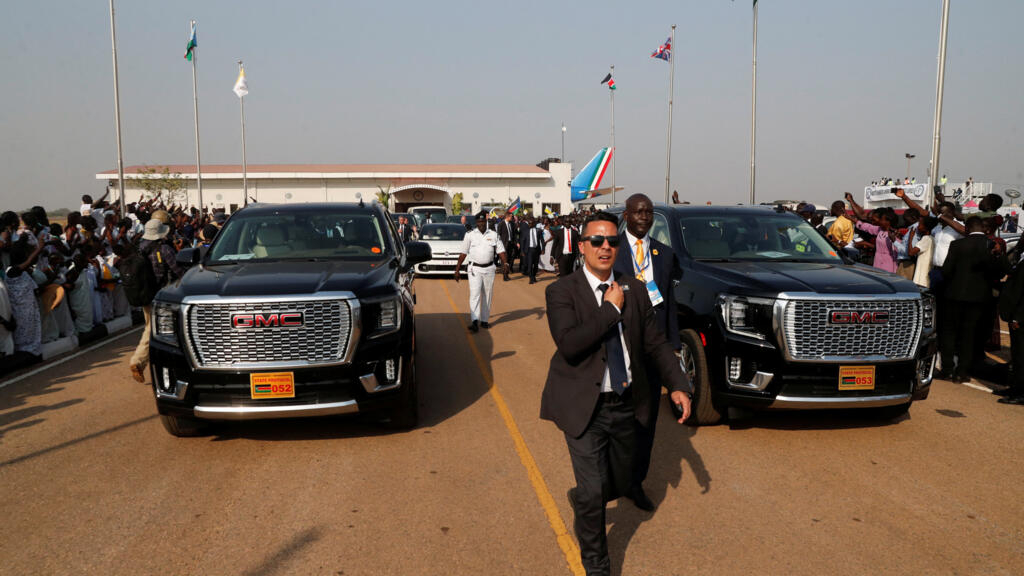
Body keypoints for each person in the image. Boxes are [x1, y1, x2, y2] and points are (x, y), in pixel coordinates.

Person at [540, 211, 691, 576]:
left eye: (612, 241)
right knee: (594, 493)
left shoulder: (634, 288)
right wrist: (610, 309)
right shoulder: (562, 291)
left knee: (623, 481)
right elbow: (570, 344)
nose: (605, 247)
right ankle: (597, 565)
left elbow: (655, 344)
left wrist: (678, 384)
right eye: (597, 241)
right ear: (582, 247)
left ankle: (583, 499)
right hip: (584, 406)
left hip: (626, 403)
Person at [612, 193, 681, 510]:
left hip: (654, 348)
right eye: (638, 211)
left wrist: (674, 346)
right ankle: (610, 477)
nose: (644, 216)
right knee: (616, 418)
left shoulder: (664, 254)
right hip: (620, 344)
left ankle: (634, 482)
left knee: (646, 420)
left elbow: (669, 305)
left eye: (649, 212)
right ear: (626, 215)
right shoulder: (610, 250)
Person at [938, 216, 1008, 383]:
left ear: (967, 229)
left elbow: (946, 271)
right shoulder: (991, 245)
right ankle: (962, 372)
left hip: (953, 295)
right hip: (978, 298)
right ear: (984, 229)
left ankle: (947, 369)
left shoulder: (957, 245)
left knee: (949, 333)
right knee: (969, 335)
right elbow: (1001, 272)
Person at [129, 218, 184, 383]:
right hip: (163, 297)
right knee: (157, 331)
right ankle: (138, 362)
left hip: (146, 295)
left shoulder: (140, 248)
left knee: (151, 328)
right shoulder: (165, 249)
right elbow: (179, 271)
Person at [454, 211, 509, 333]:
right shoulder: (470, 235)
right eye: (478, 222)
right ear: (476, 223)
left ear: (486, 221)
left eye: (483, 221)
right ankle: (474, 321)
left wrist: (505, 263)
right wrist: (457, 269)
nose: (481, 224)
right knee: (475, 294)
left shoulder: (494, 235)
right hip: (475, 269)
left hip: (489, 269)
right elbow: (463, 252)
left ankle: (484, 320)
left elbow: (501, 251)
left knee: (487, 295)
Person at [845, 193, 897, 273]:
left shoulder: (895, 234)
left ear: (886, 220)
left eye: (874, 220)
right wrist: (851, 218)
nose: (872, 222)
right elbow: (865, 226)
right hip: (877, 263)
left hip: (888, 265)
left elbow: (898, 251)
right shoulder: (879, 230)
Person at [997, 254, 1024, 405]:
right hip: (1014, 312)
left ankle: (1021, 393)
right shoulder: (1020, 255)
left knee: (1021, 356)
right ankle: (1014, 388)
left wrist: (1018, 317)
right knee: (1016, 354)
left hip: (1020, 317)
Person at [497, 213, 518, 281]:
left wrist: (516, 242)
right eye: (511, 217)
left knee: (510, 259)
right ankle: (505, 275)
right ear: (507, 217)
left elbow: (514, 234)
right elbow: (498, 235)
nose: (512, 218)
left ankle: (507, 273)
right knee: (504, 260)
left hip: (511, 244)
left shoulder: (512, 224)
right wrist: (499, 244)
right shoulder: (501, 224)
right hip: (504, 244)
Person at [521, 217, 542, 284]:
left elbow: (542, 240)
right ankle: (531, 278)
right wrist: (522, 251)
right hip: (529, 250)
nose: (529, 225)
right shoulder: (525, 231)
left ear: (534, 223)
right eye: (529, 223)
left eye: (531, 223)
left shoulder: (538, 231)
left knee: (536, 266)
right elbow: (522, 241)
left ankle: (534, 276)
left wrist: (543, 249)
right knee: (529, 265)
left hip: (536, 250)